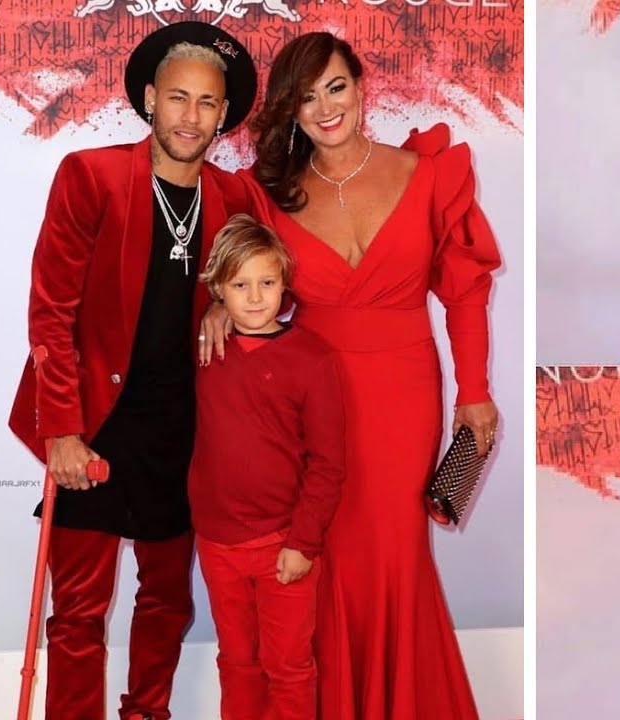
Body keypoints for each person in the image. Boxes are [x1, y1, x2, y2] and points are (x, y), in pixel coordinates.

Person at [199, 31, 502, 719]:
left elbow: (465, 291)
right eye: (306, 98)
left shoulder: (428, 173)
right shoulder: (270, 194)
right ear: (291, 110)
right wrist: (217, 305)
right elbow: (239, 270)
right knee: (320, 552)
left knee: (395, 554)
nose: (325, 108)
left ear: (362, 88)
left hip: (403, 396)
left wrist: (475, 391)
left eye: (335, 87)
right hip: (308, 401)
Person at [5, 21, 257, 720]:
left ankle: (147, 712)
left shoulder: (235, 197)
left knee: (168, 601)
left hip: (182, 432)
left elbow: (276, 279)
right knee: (78, 611)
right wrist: (61, 429)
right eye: (177, 97)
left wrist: (225, 305)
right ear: (149, 98)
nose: (190, 117)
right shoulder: (92, 176)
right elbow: (51, 312)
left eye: (207, 103)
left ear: (223, 114)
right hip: (93, 423)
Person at [189, 214, 347, 720]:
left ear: (284, 284)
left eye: (267, 282)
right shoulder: (203, 350)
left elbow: (327, 463)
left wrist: (303, 542)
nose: (256, 298)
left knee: (289, 668)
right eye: (240, 285)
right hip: (217, 544)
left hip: (283, 545)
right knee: (237, 661)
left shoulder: (312, 358)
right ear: (218, 289)